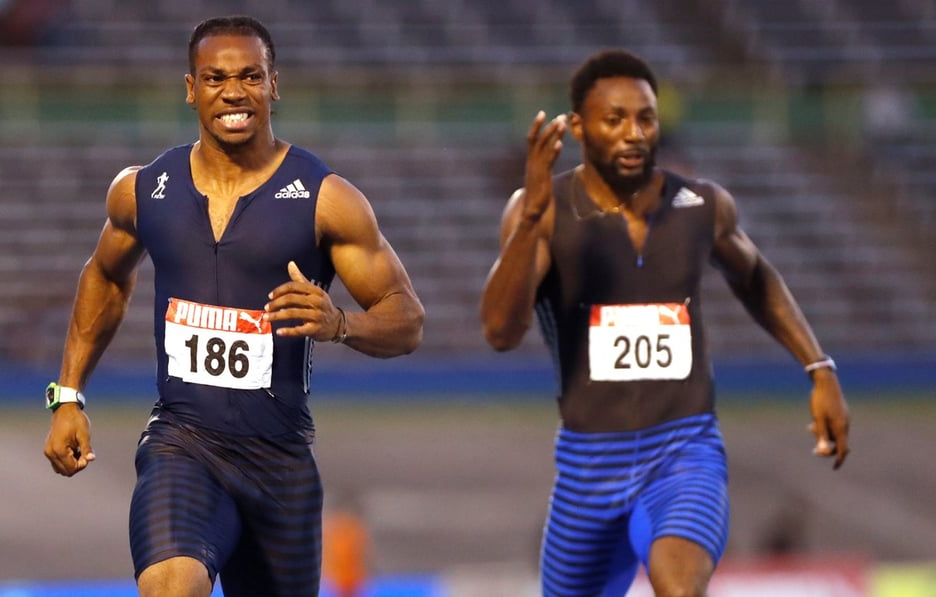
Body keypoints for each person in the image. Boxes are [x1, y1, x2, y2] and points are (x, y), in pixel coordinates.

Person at [42, 15, 424, 597]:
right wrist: (68, 395)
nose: (233, 92)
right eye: (215, 78)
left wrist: (340, 322)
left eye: (250, 75)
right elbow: (104, 275)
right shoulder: (145, 190)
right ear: (191, 89)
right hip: (182, 443)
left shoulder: (327, 200)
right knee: (172, 586)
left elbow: (407, 319)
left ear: (274, 84)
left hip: (281, 464)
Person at [479, 49, 850, 597]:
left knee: (679, 585)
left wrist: (818, 367)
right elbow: (500, 332)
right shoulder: (544, 210)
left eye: (646, 119)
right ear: (579, 128)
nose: (634, 134)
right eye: (615, 119)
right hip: (587, 466)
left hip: (682, 453)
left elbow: (755, 277)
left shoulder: (701, 206)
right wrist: (530, 219)